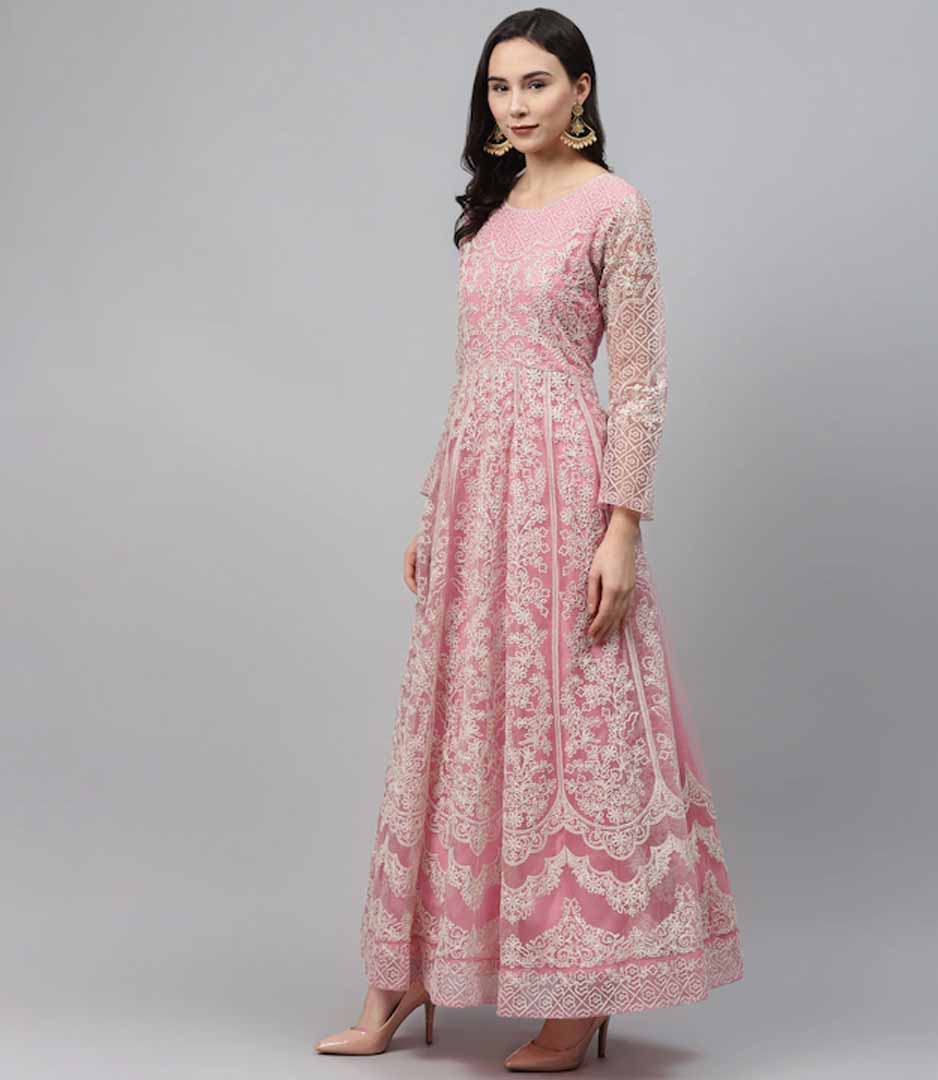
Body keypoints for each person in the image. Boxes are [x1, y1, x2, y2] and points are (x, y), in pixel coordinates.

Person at [315, 8, 744, 1071]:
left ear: (581, 90)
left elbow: (638, 384)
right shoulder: (491, 210)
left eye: (537, 83)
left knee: (569, 723)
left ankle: (579, 987)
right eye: (499, 87)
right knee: (459, 722)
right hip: (477, 490)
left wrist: (622, 528)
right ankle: (410, 971)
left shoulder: (616, 208)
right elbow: (472, 374)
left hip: (563, 482)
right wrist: (433, 509)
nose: (515, 105)